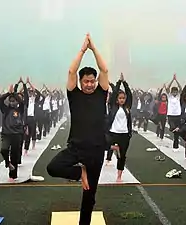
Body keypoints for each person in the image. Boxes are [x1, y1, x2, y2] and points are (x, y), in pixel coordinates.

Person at [46, 33, 109, 225]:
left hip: (96, 151)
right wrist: (82, 50)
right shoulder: (74, 95)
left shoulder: (101, 94)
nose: (89, 84)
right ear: (81, 82)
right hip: (76, 148)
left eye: (92, 81)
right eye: (86, 81)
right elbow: (71, 72)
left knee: (89, 195)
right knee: (53, 167)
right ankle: (79, 172)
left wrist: (94, 48)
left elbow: (104, 69)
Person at [0, 79, 28, 182]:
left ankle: (12, 176)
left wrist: (14, 93)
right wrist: (8, 93)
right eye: (10, 101)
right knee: (4, 149)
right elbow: (0, 100)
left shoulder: (20, 109)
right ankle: (7, 162)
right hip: (6, 134)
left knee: (14, 155)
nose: (12, 102)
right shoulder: (5, 109)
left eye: (14, 100)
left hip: (17, 134)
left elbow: (22, 101)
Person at [105, 72, 132, 182]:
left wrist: (124, 83)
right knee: (103, 145)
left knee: (122, 156)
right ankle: (113, 149)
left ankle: (119, 176)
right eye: (120, 98)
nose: (122, 100)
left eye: (123, 98)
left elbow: (129, 94)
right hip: (113, 132)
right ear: (116, 99)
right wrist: (118, 82)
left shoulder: (127, 107)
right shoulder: (113, 106)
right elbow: (115, 92)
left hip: (125, 134)